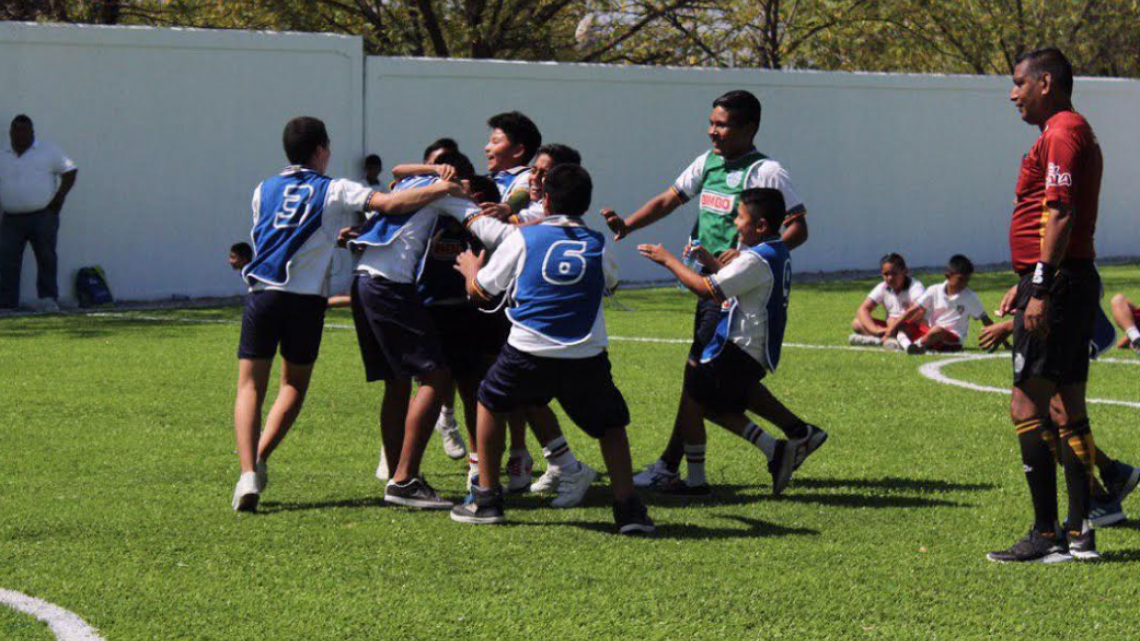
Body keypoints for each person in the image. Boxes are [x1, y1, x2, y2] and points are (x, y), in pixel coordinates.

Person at [231, 116, 462, 512]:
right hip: (304, 300)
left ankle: (249, 472)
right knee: (293, 387)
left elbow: (277, 234)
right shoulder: (334, 187)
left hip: (261, 294)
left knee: (250, 387)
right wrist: (443, 188)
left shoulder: (263, 188)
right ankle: (263, 455)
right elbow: (388, 202)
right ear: (322, 150)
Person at [600, 89, 822, 490]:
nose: (712, 132)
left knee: (697, 381)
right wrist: (628, 224)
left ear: (749, 128)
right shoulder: (709, 163)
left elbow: (798, 227)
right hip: (712, 285)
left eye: (722, 125)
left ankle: (673, 466)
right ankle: (798, 431)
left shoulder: (767, 172)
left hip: (730, 296)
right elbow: (670, 198)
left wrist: (756, 257)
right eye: (711, 123)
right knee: (715, 383)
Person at [450, 163, 654, 533]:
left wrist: (468, 269)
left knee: (490, 402)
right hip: (585, 353)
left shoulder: (521, 238)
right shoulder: (599, 241)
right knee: (610, 425)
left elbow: (483, 293)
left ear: (544, 200)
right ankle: (628, 509)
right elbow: (611, 283)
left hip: (528, 349)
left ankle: (487, 499)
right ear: (586, 203)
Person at [344, 151, 516, 510]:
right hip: (391, 285)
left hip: (362, 279)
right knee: (436, 378)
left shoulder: (413, 181)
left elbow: (398, 170)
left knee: (397, 383)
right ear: (461, 177)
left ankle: (398, 474)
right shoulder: (449, 193)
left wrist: (433, 171)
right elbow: (492, 233)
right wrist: (528, 233)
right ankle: (404, 480)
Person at [987, 48, 1105, 562]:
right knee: (1068, 407)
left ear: (1046, 82)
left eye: (1019, 83)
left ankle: (1046, 534)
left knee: (1026, 404)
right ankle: (1081, 533)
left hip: (1055, 283)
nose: (1013, 94)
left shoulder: (1061, 132)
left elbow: (1058, 213)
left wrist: (1038, 285)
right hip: (1065, 278)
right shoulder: (1070, 130)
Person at [639, 188, 823, 495]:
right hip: (754, 349)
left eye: (740, 217)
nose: (735, 223)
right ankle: (786, 442)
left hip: (738, 346)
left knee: (695, 398)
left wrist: (668, 260)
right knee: (705, 402)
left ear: (760, 226)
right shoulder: (777, 251)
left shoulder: (756, 258)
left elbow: (705, 288)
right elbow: (742, 284)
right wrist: (711, 261)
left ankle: (705, 478)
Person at [980, 309, 1140, 527]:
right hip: (1058, 323)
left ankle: (1090, 505)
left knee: (1045, 414)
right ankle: (1107, 480)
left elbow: (1059, 285)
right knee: (1051, 414)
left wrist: (1012, 324)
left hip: (1064, 322)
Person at [0, 114, 78, 311]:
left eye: (24, 130)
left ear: (32, 132)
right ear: (10, 133)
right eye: (15, 130)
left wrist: (59, 198)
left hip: (42, 216)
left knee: (46, 257)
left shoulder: (48, 151)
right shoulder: (3, 154)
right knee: (7, 260)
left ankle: (48, 298)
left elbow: (70, 170)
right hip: (11, 218)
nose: (19, 134)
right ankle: (7, 303)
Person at [891, 254, 995, 354]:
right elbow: (914, 309)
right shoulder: (934, 290)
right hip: (931, 333)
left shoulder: (970, 296)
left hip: (953, 340)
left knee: (937, 330)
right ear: (948, 276)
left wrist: (1001, 338)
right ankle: (909, 347)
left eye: (967, 280)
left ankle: (917, 346)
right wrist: (893, 327)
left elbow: (985, 319)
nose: (964, 284)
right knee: (904, 327)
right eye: (960, 279)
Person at [849, 253, 924, 346]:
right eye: (886, 274)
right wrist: (876, 330)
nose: (890, 278)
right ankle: (884, 339)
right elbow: (863, 309)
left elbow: (919, 312)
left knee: (902, 328)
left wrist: (895, 323)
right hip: (890, 328)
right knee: (857, 323)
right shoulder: (883, 287)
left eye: (894, 273)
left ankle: (879, 340)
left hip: (910, 327)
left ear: (905, 271)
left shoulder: (915, 287)